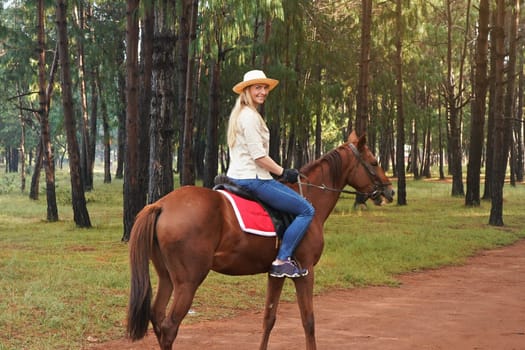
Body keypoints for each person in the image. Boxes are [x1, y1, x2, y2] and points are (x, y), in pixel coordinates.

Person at [226, 69, 315, 278]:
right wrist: (284, 172)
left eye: (265, 88)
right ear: (247, 91)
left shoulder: (242, 114)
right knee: (306, 210)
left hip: (237, 175)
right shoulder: (249, 117)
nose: (263, 92)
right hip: (253, 179)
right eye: (258, 87)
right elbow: (259, 157)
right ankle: (282, 259)